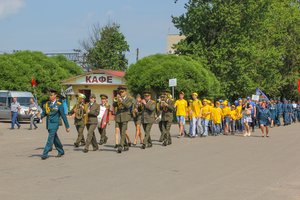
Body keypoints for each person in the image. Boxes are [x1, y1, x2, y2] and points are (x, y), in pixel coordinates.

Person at [40, 89, 70, 160]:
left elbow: (63, 116)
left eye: (51, 95)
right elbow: (44, 113)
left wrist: (67, 126)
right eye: (49, 95)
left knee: (50, 139)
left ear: (55, 95)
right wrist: (39, 116)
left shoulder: (59, 105)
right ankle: (61, 150)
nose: (50, 96)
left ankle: (45, 153)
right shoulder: (48, 104)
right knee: (54, 139)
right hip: (48, 124)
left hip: (55, 124)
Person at [113, 86, 133, 153]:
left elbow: (128, 106)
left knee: (123, 131)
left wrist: (122, 101)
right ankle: (126, 144)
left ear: (125, 92)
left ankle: (120, 146)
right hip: (118, 116)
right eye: (120, 92)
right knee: (121, 132)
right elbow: (114, 105)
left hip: (125, 116)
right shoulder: (118, 98)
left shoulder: (129, 98)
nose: (121, 93)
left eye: (122, 92)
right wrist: (116, 101)